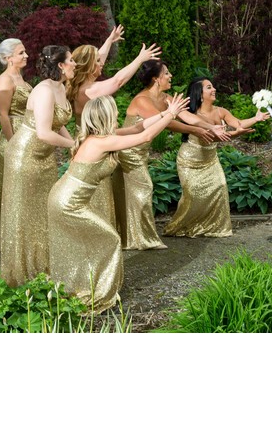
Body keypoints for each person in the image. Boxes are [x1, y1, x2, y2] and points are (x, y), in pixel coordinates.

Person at [48, 93, 189, 312]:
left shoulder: (103, 137)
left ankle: (82, 288)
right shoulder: (103, 141)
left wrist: (165, 114)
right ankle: (97, 295)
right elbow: (145, 137)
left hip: (66, 197)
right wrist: (171, 114)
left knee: (89, 243)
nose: (118, 113)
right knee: (110, 239)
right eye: (114, 110)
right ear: (106, 115)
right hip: (68, 202)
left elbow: (137, 129)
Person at [116, 60, 228, 249]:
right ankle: (140, 239)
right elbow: (167, 122)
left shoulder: (166, 98)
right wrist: (195, 131)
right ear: (156, 79)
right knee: (143, 190)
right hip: (127, 151)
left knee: (138, 194)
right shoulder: (142, 100)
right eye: (166, 73)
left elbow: (187, 116)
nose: (170, 76)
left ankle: (134, 237)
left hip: (141, 151)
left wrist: (211, 126)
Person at [0, 44, 77, 287]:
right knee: (25, 214)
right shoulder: (44, 91)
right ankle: (22, 274)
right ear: (62, 66)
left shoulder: (61, 87)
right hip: (26, 156)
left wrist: (73, 140)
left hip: (45, 158)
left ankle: (45, 264)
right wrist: (73, 145)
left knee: (43, 213)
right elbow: (44, 132)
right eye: (72, 60)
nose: (76, 64)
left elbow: (58, 121)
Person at [66, 28, 157, 235]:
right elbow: (118, 80)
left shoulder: (78, 84)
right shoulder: (89, 91)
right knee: (98, 191)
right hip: (97, 148)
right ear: (90, 67)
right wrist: (140, 58)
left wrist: (109, 40)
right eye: (97, 62)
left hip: (90, 143)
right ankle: (102, 233)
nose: (102, 63)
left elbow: (97, 58)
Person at [163, 77, 270, 238]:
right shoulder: (192, 115)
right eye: (208, 87)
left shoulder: (221, 111)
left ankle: (213, 227)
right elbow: (212, 137)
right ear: (199, 94)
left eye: (212, 87)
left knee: (220, 186)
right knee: (192, 195)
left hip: (210, 159)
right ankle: (181, 226)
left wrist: (256, 119)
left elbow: (238, 123)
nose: (213, 89)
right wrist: (235, 135)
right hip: (189, 161)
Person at [0, 38, 31, 254]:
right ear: (8, 58)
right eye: (21, 53)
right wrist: (13, 143)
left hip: (27, 134)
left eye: (25, 52)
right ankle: (9, 239)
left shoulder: (20, 78)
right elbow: (3, 114)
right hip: (13, 134)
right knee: (13, 187)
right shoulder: (4, 80)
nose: (26, 55)